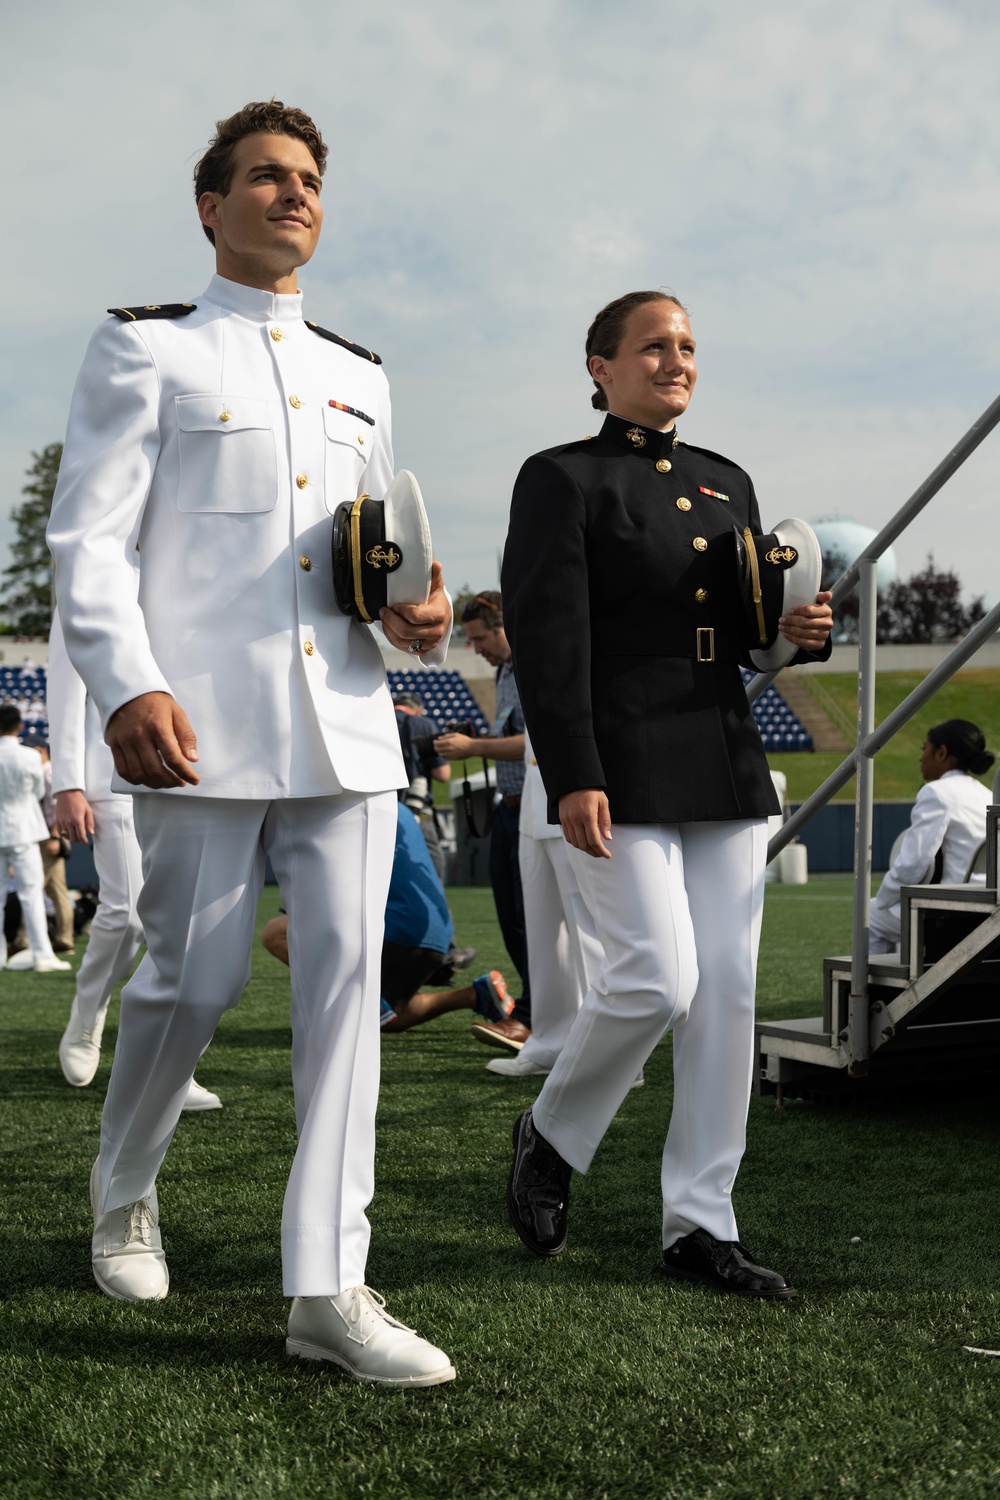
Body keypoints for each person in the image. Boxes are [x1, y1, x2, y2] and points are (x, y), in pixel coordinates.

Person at [46, 101, 455, 1386]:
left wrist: (420, 616)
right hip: (196, 731)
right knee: (192, 982)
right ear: (210, 206)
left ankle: (327, 1287)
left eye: (310, 181)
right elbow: (87, 544)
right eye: (267, 178)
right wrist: (124, 686)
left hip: (344, 729)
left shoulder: (361, 374)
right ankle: (124, 1191)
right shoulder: (144, 353)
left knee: (344, 1004)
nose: (294, 196)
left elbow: (381, 549)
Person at [501, 289, 833, 1296]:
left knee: (726, 994)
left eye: (685, 346)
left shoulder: (725, 482)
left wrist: (792, 634)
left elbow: (747, 635)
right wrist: (573, 771)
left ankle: (700, 1223)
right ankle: (552, 1135)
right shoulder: (563, 479)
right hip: (618, 753)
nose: (673, 361)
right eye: (651, 346)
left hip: (718, 751)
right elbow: (549, 638)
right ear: (600, 366)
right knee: (654, 977)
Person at [47, 614, 221, 1110]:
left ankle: (173, 1064)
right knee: (126, 915)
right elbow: (65, 684)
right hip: (111, 773)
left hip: (194, 770)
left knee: (185, 926)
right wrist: (67, 783)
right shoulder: (97, 558)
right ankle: (88, 1014)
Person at [261, 802, 513, 1033]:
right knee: (387, 1019)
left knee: (275, 933)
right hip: (434, 937)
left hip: (400, 930)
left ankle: (352, 1001)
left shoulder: (341, 809)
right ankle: (474, 995)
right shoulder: (396, 806)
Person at [434, 592, 531, 1051]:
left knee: (536, 921)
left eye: (479, 638)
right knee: (513, 918)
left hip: (536, 808)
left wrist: (475, 749)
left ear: (505, 625)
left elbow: (535, 745)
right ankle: (534, 1014)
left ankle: (535, 1016)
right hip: (508, 805)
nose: (476, 649)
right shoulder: (506, 671)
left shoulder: (534, 665)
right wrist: (482, 740)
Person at [870, 720, 994, 954]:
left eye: (923, 748)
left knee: (870, 915)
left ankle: (875, 990)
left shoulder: (936, 793)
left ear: (941, 753)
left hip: (953, 912)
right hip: (990, 909)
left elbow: (913, 865)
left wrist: (884, 898)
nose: (920, 757)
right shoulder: (987, 795)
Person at [0, 704, 71, 973]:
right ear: (19, 726)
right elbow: (39, 790)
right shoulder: (30, 756)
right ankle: (42, 954)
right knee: (31, 894)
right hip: (24, 831)